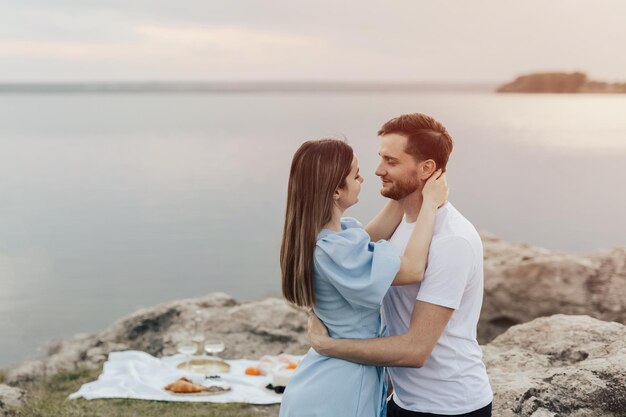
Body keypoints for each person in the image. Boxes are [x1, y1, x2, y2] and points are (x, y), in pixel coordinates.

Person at [308, 113, 493, 417]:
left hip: (449, 408)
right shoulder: (400, 225)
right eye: (380, 158)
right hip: (402, 402)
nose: (378, 170)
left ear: (427, 169)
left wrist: (329, 347)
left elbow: (415, 350)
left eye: (391, 162)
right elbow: (345, 258)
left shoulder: (451, 240)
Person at [278, 138, 448, 417]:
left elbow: (371, 237)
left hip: (324, 380)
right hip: (340, 389)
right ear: (335, 190)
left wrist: (414, 180)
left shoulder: (331, 236)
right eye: (355, 174)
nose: (364, 177)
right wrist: (430, 204)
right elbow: (413, 268)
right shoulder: (335, 249)